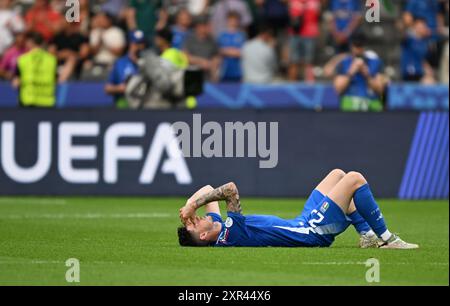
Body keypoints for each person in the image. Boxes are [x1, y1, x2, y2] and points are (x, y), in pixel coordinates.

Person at [178, 169, 419, 249]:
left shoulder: (215, 224)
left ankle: (367, 235)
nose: (196, 219)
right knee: (354, 179)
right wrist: (191, 205)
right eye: (194, 224)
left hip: (302, 221)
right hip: (311, 232)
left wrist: (189, 207)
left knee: (337, 174)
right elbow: (229, 189)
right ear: (203, 236)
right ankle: (387, 239)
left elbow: (208, 189)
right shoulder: (229, 235)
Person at [333, 33, 385, 112]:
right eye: (356, 46)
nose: (358, 49)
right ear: (351, 46)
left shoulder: (376, 62)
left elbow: (380, 89)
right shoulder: (343, 63)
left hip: (371, 105)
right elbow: (338, 89)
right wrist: (350, 72)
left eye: (360, 46)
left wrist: (367, 75)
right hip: (349, 106)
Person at [13, 32, 57, 107]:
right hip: (47, 102)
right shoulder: (52, 60)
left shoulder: (22, 60)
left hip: (27, 101)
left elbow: (16, 83)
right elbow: (58, 80)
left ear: (30, 43)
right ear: (42, 43)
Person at [105, 29, 146, 109]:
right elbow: (108, 88)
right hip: (124, 103)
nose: (139, 47)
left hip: (144, 104)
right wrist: (120, 88)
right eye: (136, 43)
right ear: (130, 44)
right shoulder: (120, 63)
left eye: (141, 43)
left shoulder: (148, 62)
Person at [287, 0, 321, 82]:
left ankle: (309, 85)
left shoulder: (315, 2)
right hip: (295, 33)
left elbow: (318, 15)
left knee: (309, 61)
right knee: (293, 61)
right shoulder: (293, 1)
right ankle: (292, 85)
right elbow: (290, 14)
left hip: (310, 33)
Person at [183, 15, 221, 82]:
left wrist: (212, 67)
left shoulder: (212, 40)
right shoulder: (190, 39)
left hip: (208, 78)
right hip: (192, 77)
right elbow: (185, 56)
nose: (206, 28)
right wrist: (201, 62)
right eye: (203, 26)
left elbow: (216, 56)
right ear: (198, 27)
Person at [401, 17, 436, 84]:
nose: (421, 28)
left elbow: (422, 59)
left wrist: (428, 68)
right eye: (418, 26)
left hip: (420, 73)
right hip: (409, 73)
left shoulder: (425, 43)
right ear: (414, 27)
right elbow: (403, 33)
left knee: (430, 82)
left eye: (423, 26)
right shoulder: (409, 39)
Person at [218, 11, 246, 82]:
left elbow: (242, 53)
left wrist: (226, 51)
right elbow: (219, 51)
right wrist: (233, 51)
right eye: (231, 20)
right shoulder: (222, 35)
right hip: (224, 71)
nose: (233, 22)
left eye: (235, 20)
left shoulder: (242, 35)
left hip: (238, 71)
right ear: (227, 21)